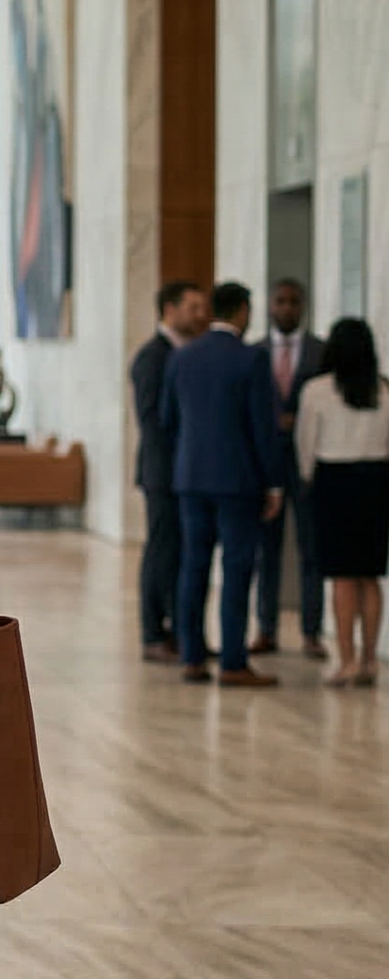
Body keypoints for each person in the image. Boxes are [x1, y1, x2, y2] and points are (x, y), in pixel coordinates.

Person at [162, 281, 290, 686]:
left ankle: (192, 657)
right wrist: (273, 484)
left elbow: (167, 420)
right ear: (241, 312)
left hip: (190, 478)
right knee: (236, 572)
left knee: (193, 568)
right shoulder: (250, 359)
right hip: (238, 482)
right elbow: (262, 428)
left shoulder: (183, 357)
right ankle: (233, 662)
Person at [295, 318, 389, 686]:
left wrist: (308, 480)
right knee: (370, 575)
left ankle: (346, 659)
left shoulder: (317, 391)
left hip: (334, 483)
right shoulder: (384, 390)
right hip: (378, 482)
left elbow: (306, 445)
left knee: (342, 578)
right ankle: (369, 659)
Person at [133, 280, 208, 662]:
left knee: (182, 554)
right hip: (163, 473)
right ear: (170, 309)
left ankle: (181, 632)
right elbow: (152, 421)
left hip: (185, 472)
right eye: (193, 307)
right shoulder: (153, 356)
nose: (200, 315)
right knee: (162, 552)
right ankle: (153, 634)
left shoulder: (189, 352)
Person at [256, 278, 328, 657]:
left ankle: (312, 630)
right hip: (266, 464)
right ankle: (266, 629)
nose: (286, 308)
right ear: (270, 305)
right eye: (280, 301)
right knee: (266, 551)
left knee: (310, 547)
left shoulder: (320, 351)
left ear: (303, 306)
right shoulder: (254, 352)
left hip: (307, 463)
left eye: (294, 302)